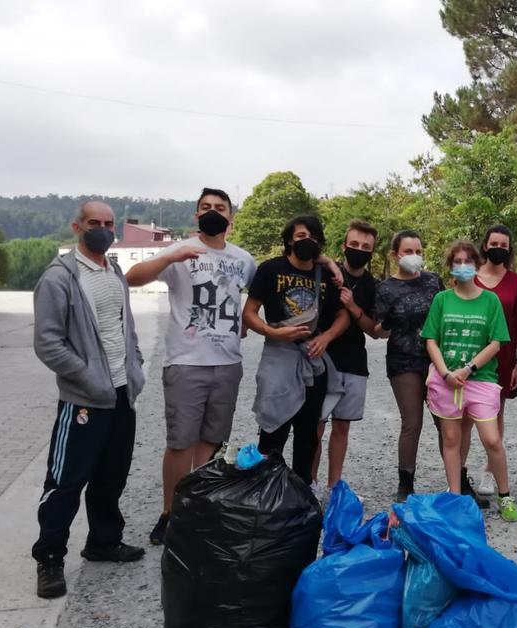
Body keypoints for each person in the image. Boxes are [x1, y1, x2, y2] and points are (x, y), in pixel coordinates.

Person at [125, 187, 255, 545]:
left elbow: (257, 298)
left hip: (228, 363)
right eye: (206, 207)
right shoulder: (179, 252)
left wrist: (248, 324)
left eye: (220, 208)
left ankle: (199, 505)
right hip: (186, 362)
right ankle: (170, 513)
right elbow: (133, 277)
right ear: (197, 215)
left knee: (212, 441)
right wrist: (171, 257)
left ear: (231, 217)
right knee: (181, 443)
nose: (213, 212)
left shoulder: (243, 259)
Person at [31, 200, 146, 599]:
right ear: (77, 227)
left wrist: (136, 367)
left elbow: (124, 329)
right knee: (65, 481)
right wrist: (87, 377)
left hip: (121, 394)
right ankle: (49, 558)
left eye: (109, 223)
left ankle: (103, 541)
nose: (102, 229)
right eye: (94, 223)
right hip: (84, 399)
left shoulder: (114, 273)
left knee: (111, 475)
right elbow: (47, 343)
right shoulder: (58, 279)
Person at [243, 215, 348, 489]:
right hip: (278, 357)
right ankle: (265, 491)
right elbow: (249, 313)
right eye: (301, 236)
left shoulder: (324, 274)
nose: (307, 242)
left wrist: (326, 337)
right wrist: (273, 332)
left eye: (313, 237)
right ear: (290, 239)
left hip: (314, 361)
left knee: (308, 433)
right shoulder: (270, 269)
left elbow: (342, 316)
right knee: (273, 428)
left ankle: (301, 493)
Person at [421, 240, 517, 522]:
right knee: (451, 438)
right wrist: (445, 373)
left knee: (492, 439)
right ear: (450, 267)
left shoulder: (490, 301)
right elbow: (431, 340)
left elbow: (497, 342)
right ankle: (455, 497)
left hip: (480, 379)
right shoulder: (442, 300)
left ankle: (505, 494)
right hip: (446, 380)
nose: (463, 267)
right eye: (457, 262)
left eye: (468, 261)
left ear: (477, 265)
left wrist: (467, 369)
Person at [371, 230, 443, 502]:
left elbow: (445, 314)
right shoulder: (385, 288)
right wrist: (388, 321)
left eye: (418, 251)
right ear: (395, 255)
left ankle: (458, 478)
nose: (414, 257)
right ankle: (406, 483)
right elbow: (377, 331)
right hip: (403, 361)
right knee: (412, 423)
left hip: (436, 360)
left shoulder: (433, 281)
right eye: (408, 252)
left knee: (445, 422)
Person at [311, 219, 379, 494]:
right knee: (315, 426)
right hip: (320, 360)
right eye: (354, 244)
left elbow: (374, 331)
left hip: (354, 361)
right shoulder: (328, 272)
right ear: (344, 246)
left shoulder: (374, 286)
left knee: (342, 427)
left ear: (372, 252)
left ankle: (333, 485)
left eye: (366, 247)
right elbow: (307, 251)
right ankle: (309, 482)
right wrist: (328, 262)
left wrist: (353, 308)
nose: (359, 250)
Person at [463, 225, 517, 498]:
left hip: (503, 357)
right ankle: (459, 473)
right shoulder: (469, 277)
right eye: (494, 243)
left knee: (495, 414)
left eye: (505, 244)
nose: (499, 248)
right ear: (485, 246)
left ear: (509, 248)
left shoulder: (516, 282)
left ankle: (490, 471)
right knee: (463, 415)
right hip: (468, 354)